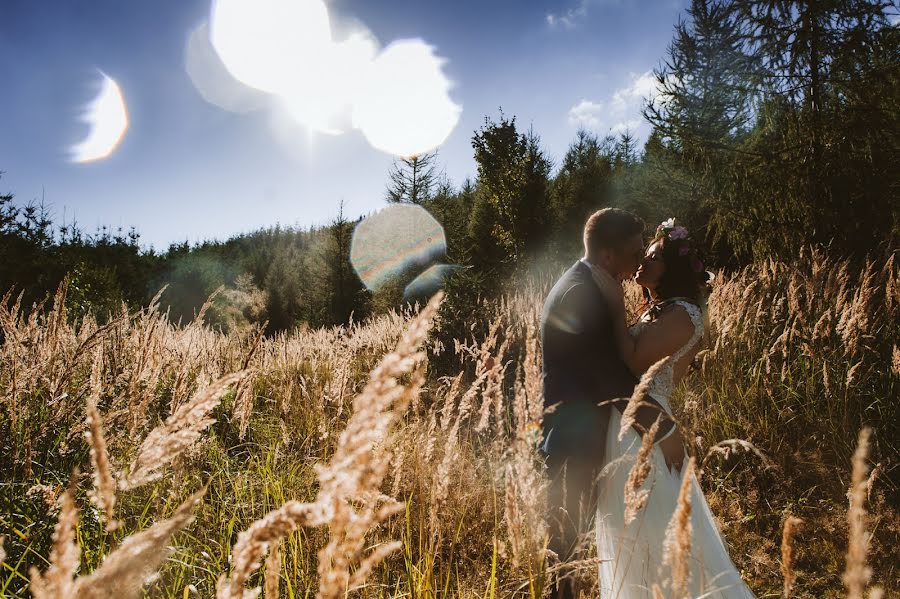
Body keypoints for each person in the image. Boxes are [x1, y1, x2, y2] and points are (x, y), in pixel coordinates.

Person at [590, 218, 756, 598]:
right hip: (626, 424)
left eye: (652, 257)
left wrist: (612, 303)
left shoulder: (683, 314)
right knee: (631, 531)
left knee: (656, 528)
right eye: (642, 255)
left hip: (647, 429)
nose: (642, 262)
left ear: (673, 269)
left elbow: (631, 360)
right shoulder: (658, 309)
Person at [540, 208, 682, 599]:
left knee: (567, 550)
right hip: (573, 441)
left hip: (577, 435)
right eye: (635, 253)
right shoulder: (583, 293)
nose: (639, 263)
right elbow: (606, 378)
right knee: (565, 554)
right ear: (607, 256)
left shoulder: (589, 283)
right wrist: (662, 428)